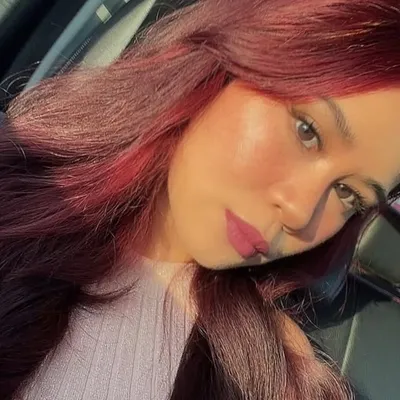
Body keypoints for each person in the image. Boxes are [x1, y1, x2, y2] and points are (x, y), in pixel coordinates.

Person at [1, 0, 400, 398]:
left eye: (348, 193)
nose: (300, 214)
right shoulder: (19, 186)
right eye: (307, 131)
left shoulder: (271, 377)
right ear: (221, 66)